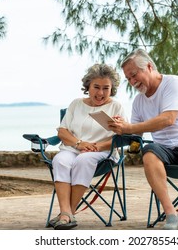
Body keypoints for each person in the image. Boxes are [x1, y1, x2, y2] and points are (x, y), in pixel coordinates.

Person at [109, 49, 178, 230]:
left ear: (149, 67)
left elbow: (168, 119)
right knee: (149, 153)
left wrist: (130, 128)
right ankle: (171, 214)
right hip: (165, 149)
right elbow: (136, 136)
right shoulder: (138, 102)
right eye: (128, 79)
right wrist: (120, 129)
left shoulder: (174, 84)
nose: (132, 82)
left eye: (134, 75)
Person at [50, 63, 126, 230]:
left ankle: (68, 214)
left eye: (106, 88)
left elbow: (121, 137)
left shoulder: (116, 107)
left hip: (104, 152)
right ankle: (66, 212)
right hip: (73, 148)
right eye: (96, 87)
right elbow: (62, 132)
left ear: (112, 89)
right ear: (88, 86)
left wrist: (97, 147)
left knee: (83, 160)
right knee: (60, 160)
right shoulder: (76, 104)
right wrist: (80, 143)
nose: (100, 93)